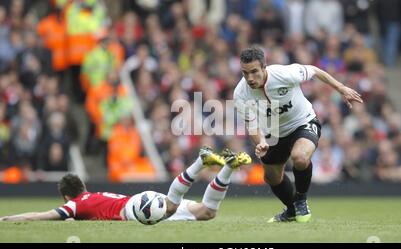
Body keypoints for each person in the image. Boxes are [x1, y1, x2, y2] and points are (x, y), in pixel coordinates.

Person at [234, 46, 363, 223]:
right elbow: (252, 125)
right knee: (271, 177)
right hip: (275, 134)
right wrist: (261, 143)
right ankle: (292, 210)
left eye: (254, 71)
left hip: (303, 122)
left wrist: (341, 88)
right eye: (245, 73)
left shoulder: (285, 74)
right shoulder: (240, 93)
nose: (249, 78)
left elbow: (315, 71)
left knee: (300, 158)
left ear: (265, 67)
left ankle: (301, 200)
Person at [0, 147, 252, 222]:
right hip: (139, 199)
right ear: (83, 187)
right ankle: (227, 167)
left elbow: (40, 215)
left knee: (172, 207)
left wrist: (7, 219)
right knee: (207, 213)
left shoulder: (74, 205)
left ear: (67, 196)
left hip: (133, 211)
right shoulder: (92, 195)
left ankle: (201, 161)